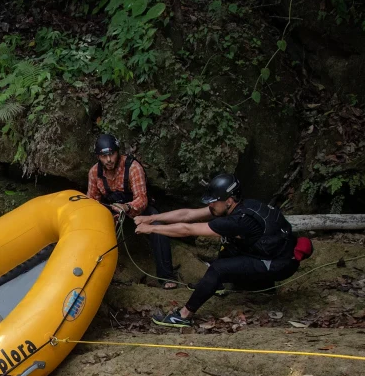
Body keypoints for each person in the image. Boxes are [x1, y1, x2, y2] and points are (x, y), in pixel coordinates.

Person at [136, 173, 309, 328]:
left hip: (280, 264)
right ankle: (220, 286)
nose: (210, 204)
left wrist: (151, 229)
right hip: (271, 251)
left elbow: (187, 229)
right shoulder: (240, 206)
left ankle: (183, 316)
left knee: (218, 268)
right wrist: (151, 218)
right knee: (228, 243)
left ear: (229, 201)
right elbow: (187, 215)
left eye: (214, 201)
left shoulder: (238, 221)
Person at [86, 133, 178, 289]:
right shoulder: (94, 172)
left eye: (111, 154)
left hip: (137, 208)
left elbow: (142, 199)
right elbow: (92, 201)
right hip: (113, 209)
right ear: (98, 157)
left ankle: (166, 276)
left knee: (158, 225)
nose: (108, 160)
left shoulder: (133, 167)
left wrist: (127, 207)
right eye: (104, 156)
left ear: (118, 152)